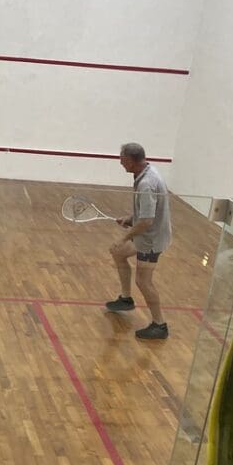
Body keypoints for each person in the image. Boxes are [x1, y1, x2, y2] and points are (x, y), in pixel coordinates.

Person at [105, 142, 172, 340]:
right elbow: (145, 214)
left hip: (152, 240)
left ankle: (160, 325)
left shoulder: (146, 184)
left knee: (143, 281)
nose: (120, 163)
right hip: (147, 233)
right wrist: (129, 219)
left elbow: (147, 221)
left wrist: (125, 236)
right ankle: (126, 299)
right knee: (118, 253)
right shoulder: (146, 172)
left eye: (123, 160)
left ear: (133, 161)